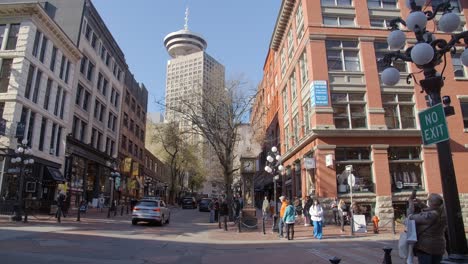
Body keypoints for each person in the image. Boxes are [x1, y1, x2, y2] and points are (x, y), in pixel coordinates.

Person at [408, 193, 447, 264]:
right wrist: (422, 204)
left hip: (425, 247)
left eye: (428, 200)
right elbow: (433, 209)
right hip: (439, 246)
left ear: (431, 202)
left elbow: (410, 217)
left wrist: (410, 202)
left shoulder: (430, 216)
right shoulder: (443, 213)